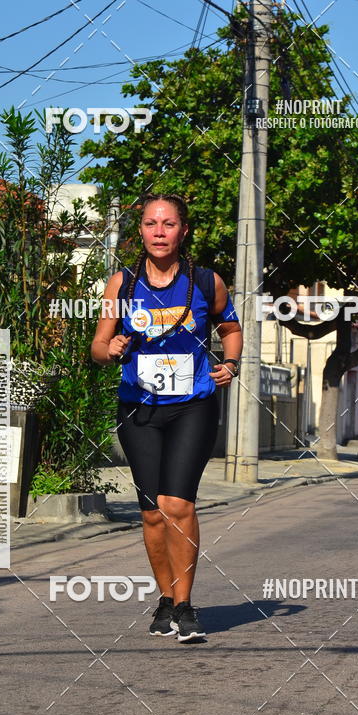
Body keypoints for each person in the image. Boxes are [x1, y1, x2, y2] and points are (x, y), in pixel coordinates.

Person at [91, 193, 243, 642]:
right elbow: (98, 346)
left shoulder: (206, 282)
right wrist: (111, 349)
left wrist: (231, 365)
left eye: (169, 224)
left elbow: (230, 328)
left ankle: (185, 605)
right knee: (153, 513)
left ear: (183, 231)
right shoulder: (121, 284)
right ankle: (164, 597)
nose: (160, 232)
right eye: (151, 224)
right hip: (139, 408)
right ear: (140, 230)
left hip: (193, 404)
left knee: (178, 504)